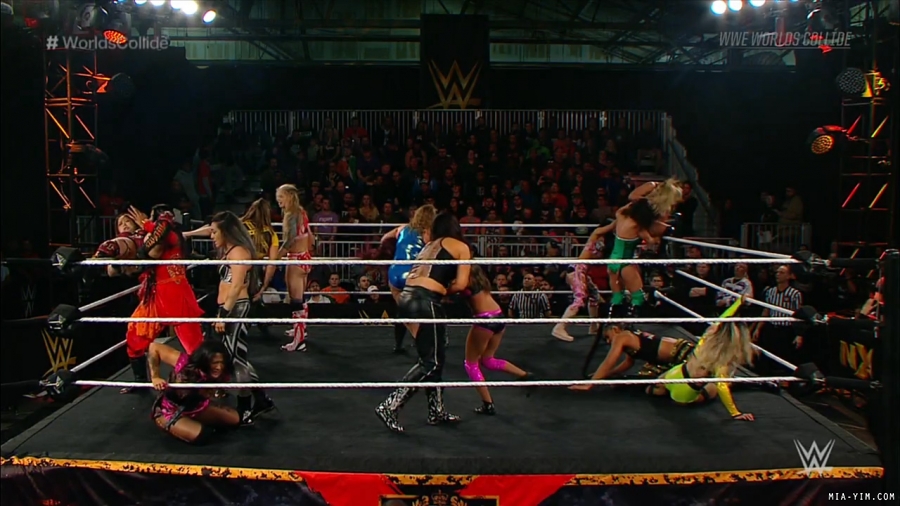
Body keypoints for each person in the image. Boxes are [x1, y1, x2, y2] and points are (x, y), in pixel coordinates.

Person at [375, 212, 471, 433]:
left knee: (435, 356)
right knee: (430, 362)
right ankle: (390, 405)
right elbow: (461, 284)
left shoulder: (429, 245)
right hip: (425, 300)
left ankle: (435, 410)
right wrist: (445, 290)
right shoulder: (460, 246)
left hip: (407, 297)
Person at [120, 205, 205, 394]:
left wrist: (146, 224)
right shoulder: (147, 236)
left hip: (175, 292)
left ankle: (211, 382)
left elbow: (161, 237)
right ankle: (140, 381)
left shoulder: (171, 234)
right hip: (156, 294)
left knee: (194, 344)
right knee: (135, 333)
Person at [210, 211, 275, 424]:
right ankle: (262, 399)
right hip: (230, 307)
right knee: (236, 357)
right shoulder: (230, 249)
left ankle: (245, 406)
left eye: (214, 232)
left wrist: (223, 315)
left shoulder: (238, 252)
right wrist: (187, 233)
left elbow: (237, 285)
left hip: (235, 308)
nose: (211, 236)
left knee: (237, 360)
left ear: (226, 232)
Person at [648, 299, 756, 421]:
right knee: (716, 385)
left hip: (673, 374)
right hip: (685, 392)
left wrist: (739, 302)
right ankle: (747, 383)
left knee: (654, 389)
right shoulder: (722, 360)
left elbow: (722, 318)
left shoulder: (707, 337)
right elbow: (722, 386)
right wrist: (735, 413)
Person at [607, 179, 682, 322]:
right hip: (624, 262)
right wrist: (652, 239)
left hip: (614, 260)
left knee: (617, 296)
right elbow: (648, 234)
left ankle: (615, 322)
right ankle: (629, 323)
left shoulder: (622, 215)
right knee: (638, 297)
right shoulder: (638, 225)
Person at [463, 265, 533, 415]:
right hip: (498, 315)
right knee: (488, 360)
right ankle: (526, 376)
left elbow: (449, 290)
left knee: (470, 364)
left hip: (485, 320)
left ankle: (488, 404)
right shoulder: (481, 281)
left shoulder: (465, 281)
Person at [148, 340, 240, 443]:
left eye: (221, 362)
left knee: (235, 419)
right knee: (202, 435)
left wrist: (215, 392)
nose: (219, 367)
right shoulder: (184, 362)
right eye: (215, 363)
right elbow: (154, 347)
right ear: (205, 360)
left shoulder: (223, 372)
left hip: (196, 407)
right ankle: (166, 422)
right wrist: (155, 377)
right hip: (170, 410)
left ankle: (193, 420)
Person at [570, 326, 696, 391]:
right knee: (637, 380)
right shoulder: (631, 337)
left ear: (615, 329)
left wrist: (590, 384)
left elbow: (609, 361)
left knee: (652, 386)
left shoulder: (622, 337)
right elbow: (628, 362)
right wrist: (607, 374)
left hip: (684, 354)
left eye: (608, 337)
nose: (608, 342)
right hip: (674, 357)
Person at [381, 204, 436, 353]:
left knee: (403, 310)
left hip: (395, 272)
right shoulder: (429, 233)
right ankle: (422, 341)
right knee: (421, 310)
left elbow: (384, 239)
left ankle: (401, 344)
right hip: (413, 275)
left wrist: (392, 249)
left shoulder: (402, 228)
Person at [551, 221, 617, 342]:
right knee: (579, 299)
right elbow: (602, 231)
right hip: (577, 269)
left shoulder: (607, 242)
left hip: (584, 271)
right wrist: (619, 221)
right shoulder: (596, 235)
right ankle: (559, 327)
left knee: (595, 297)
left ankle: (593, 327)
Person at [276, 184, 316, 352]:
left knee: (296, 300)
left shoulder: (290, 215)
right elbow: (310, 236)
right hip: (304, 257)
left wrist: (275, 258)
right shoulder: (301, 212)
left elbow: (289, 240)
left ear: (289, 196)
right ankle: (300, 329)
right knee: (299, 297)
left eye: (281, 196)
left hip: (296, 259)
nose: (278, 200)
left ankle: (299, 342)